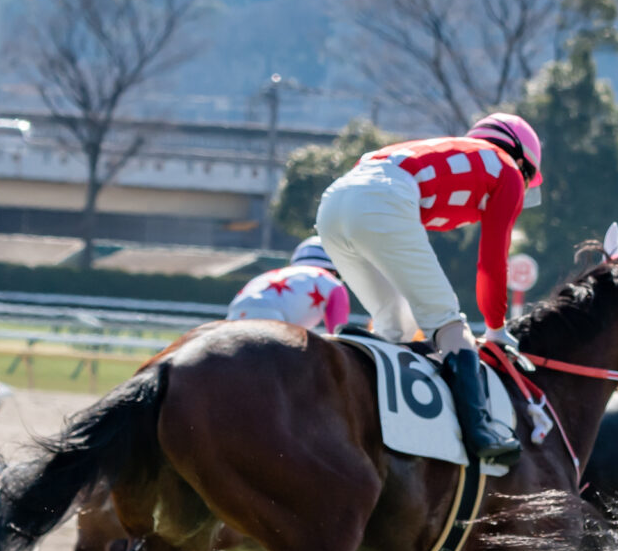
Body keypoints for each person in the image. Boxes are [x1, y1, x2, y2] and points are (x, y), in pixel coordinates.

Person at [313, 112, 540, 462]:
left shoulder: (454, 154)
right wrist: (496, 328)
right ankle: (480, 433)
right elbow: (492, 263)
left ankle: (363, 423)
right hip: (381, 199)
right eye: (528, 180)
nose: (524, 190)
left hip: (333, 203)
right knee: (448, 323)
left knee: (395, 324)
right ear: (521, 158)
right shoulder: (507, 168)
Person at [227, 237, 353, 334]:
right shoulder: (333, 283)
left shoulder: (278, 274)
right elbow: (338, 336)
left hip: (235, 311)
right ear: (335, 271)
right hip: (275, 323)